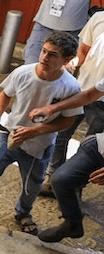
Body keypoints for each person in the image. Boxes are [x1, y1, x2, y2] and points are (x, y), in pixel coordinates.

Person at [0, 33, 81, 236]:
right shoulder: (23, 72)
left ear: (66, 60)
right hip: (9, 133)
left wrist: (34, 131)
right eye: (44, 51)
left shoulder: (70, 87)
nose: (44, 58)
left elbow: (67, 120)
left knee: (32, 185)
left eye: (52, 55)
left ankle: (23, 213)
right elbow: (5, 94)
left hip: (39, 144)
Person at [30, 77, 104, 243]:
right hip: (100, 145)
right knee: (62, 179)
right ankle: (72, 224)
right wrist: (50, 109)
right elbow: (89, 95)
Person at [41, 5, 104, 197]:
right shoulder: (98, 19)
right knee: (60, 134)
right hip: (81, 89)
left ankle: (75, 187)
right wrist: (72, 63)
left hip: (102, 103)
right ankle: (52, 178)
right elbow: (83, 52)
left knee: (90, 148)